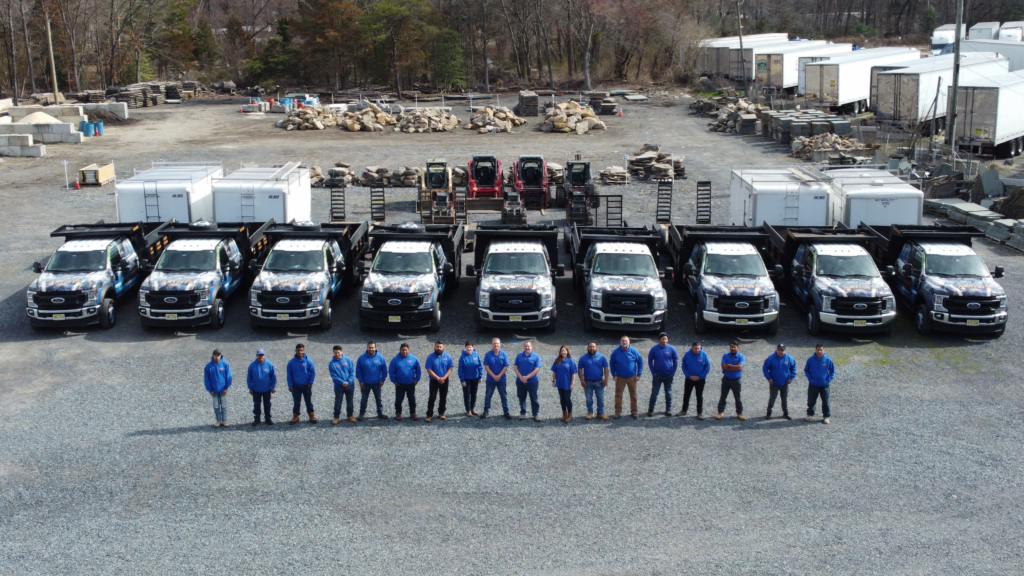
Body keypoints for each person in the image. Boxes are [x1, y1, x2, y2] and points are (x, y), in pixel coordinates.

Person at [610, 336, 643, 419]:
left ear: (629, 342)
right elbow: (611, 363)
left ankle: (634, 411)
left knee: (633, 395)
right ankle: (617, 412)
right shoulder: (616, 352)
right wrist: (614, 375)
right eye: (623, 341)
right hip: (620, 378)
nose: (624, 342)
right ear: (620, 342)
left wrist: (638, 374)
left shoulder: (634, 351)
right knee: (618, 395)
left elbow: (640, 362)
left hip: (632, 377)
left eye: (626, 341)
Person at [647, 332, 678, 417]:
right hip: (658, 375)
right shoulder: (654, 349)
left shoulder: (671, 349)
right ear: (659, 339)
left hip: (668, 375)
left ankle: (668, 409)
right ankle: (651, 410)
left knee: (668, 393)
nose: (664, 340)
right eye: (662, 338)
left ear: (668, 339)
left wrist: (673, 372)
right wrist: (653, 372)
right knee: (654, 393)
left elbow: (675, 360)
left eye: (665, 339)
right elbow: (650, 361)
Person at [763, 343, 796, 420]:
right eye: (779, 350)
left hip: (784, 383)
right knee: (772, 398)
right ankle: (768, 413)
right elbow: (765, 369)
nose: (780, 352)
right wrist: (769, 378)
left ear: (785, 350)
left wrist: (791, 377)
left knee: (784, 398)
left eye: (782, 350)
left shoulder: (789, 358)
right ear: (776, 350)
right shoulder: (770, 358)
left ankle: (785, 413)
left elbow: (793, 368)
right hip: (774, 383)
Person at [356, 341, 388, 421]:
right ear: (367, 348)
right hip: (365, 383)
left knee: (378, 398)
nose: (371, 349)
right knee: (364, 399)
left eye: (373, 347)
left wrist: (382, 379)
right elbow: (358, 371)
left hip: (377, 383)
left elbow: (384, 370)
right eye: (370, 347)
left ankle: (380, 413)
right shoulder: (361, 358)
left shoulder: (380, 357)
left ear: (375, 348)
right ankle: (361, 414)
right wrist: (361, 381)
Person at [804, 343, 836, 424]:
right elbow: (806, 370)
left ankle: (826, 416)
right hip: (813, 385)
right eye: (818, 349)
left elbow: (832, 371)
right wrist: (810, 379)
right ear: (815, 350)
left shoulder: (828, 360)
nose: (819, 351)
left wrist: (827, 380)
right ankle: (810, 414)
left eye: (821, 350)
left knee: (825, 401)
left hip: (824, 385)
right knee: (811, 400)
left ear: (823, 350)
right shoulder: (810, 360)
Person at [577, 341, 610, 420]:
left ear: (596, 348)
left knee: (600, 398)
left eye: (593, 346)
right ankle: (590, 412)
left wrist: (606, 379)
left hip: (599, 381)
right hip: (588, 382)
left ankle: (600, 413)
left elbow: (605, 368)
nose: (592, 348)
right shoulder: (583, 358)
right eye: (590, 347)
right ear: (587, 348)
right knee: (589, 399)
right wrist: (582, 380)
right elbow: (579, 369)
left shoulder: (601, 357)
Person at [678, 341, 710, 419]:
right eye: (695, 348)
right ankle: (684, 410)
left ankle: (700, 412)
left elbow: (707, 367)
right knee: (687, 394)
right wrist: (688, 376)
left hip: (700, 379)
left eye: (698, 348)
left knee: (699, 396)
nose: (697, 350)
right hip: (689, 379)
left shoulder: (704, 355)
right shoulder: (687, 354)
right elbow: (684, 366)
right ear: (692, 348)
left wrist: (700, 377)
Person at [481, 338, 512, 419]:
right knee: (488, 395)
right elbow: (486, 367)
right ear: (492, 345)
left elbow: (506, 366)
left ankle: (506, 412)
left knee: (504, 396)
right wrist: (494, 376)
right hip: (490, 379)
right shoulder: (488, 354)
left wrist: (499, 376)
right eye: (494, 343)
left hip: (501, 379)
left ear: (500, 344)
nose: (496, 345)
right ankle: (486, 411)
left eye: (497, 343)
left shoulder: (504, 354)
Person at [389, 343, 421, 420]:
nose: (404, 351)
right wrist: (394, 381)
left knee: (412, 400)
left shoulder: (413, 359)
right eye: (403, 350)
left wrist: (416, 380)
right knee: (398, 400)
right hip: (399, 384)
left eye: (406, 350)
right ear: (400, 350)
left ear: (408, 350)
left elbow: (418, 370)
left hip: (411, 384)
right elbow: (391, 371)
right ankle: (398, 414)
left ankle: (413, 413)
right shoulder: (395, 360)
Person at [287, 343, 317, 424]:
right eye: (298, 350)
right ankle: (296, 416)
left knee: (308, 401)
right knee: (296, 402)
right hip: (296, 386)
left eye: (301, 350)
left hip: (306, 386)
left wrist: (310, 383)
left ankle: (311, 415)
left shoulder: (308, 361)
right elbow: (289, 375)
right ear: (295, 350)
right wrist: (290, 385)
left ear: (304, 351)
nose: (300, 352)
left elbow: (313, 372)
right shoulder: (291, 362)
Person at [246, 349, 277, 426]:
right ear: (256, 356)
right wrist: (250, 388)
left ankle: (268, 418)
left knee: (267, 404)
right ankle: (257, 419)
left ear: (264, 355)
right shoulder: (252, 365)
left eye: (262, 355)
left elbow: (273, 376)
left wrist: (273, 386)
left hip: (267, 389)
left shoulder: (269, 365)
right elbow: (249, 378)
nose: (260, 357)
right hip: (256, 390)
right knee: (256, 405)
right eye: (259, 355)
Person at [425, 341, 454, 422]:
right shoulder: (430, 357)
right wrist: (438, 378)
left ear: (443, 348)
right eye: (437, 346)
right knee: (432, 397)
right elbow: (429, 369)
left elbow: (450, 368)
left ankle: (441, 413)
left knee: (443, 397)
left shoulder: (447, 356)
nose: (438, 348)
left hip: (445, 380)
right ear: (435, 347)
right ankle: (429, 414)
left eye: (440, 347)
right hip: (434, 380)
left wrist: (444, 378)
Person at [514, 341, 543, 421]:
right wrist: (521, 377)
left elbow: (537, 369)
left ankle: (535, 414)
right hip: (520, 381)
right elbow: (515, 367)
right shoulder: (519, 356)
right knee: (522, 397)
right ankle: (523, 413)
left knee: (534, 398)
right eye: (525, 346)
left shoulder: (536, 356)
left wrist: (526, 377)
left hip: (532, 381)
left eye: (528, 346)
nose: (527, 347)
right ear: (524, 347)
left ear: (531, 347)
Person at [716, 341, 745, 421]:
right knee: (723, 397)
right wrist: (734, 367)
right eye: (731, 347)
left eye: (734, 347)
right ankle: (720, 412)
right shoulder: (725, 355)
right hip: (726, 380)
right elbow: (723, 367)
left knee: (737, 398)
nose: (732, 348)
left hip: (736, 381)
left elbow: (740, 367)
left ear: (737, 348)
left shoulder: (741, 356)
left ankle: (739, 413)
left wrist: (729, 365)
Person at [204, 349, 232, 428]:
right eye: (215, 355)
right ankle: (218, 420)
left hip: (223, 390)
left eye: (218, 355)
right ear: (213, 356)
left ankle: (225, 420)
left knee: (223, 406)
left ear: (220, 356)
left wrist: (226, 387)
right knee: (216, 406)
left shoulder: (225, 365)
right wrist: (210, 389)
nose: (217, 357)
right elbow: (206, 379)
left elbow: (229, 377)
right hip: (214, 391)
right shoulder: (208, 366)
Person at [329, 345, 356, 424]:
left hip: (350, 385)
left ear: (341, 351)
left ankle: (350, 415)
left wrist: (348, 381)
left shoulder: (348, 360)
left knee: (350, 401)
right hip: (338, 386)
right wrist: (342, 382)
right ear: (333, 353)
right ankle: (336, 417)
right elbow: (334, 376)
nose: (337, 354)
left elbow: (352, 371)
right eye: (335, 353)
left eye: (338, 352)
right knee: (338, 402)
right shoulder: (332, 364)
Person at [551, 345, 577, 423]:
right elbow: (554, 371)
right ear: (560, 352)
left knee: (567, 399)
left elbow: (573, 373)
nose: (563, 352)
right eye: (562, 351)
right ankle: (564, 413)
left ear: (567, 351)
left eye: (564, 351)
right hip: (560, 383)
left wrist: (572, 383)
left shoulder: (571, 361)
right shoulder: (557, 361)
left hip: (567, 384)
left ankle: (570, 414)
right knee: (562, 399)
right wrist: (553, 381)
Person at [458, 341, 483, 416]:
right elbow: (460, 369)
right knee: (467, 395)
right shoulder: (462, 357)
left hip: (475, 378)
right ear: (465, 348)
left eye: (470, 347)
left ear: (473, 347)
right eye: (467, 347)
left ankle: (472, 408)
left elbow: (480, 366)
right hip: (466, 379)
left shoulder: (476, 355)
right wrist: (462, 380)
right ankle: (468, 409)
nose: (469, 348)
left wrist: (480, 376)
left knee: (474, 394)